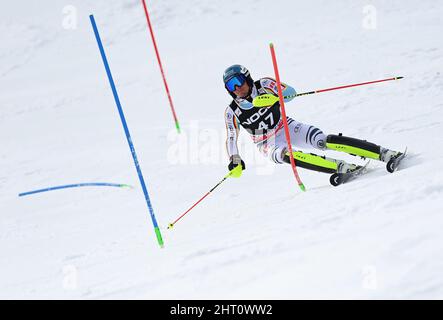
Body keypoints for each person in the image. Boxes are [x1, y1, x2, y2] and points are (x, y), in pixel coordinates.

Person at [223, 64, 403, 180]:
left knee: (322, 140)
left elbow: (291, 92)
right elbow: (232, 137)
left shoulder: (264, 84)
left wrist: (274, 98)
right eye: (231, 86)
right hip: (266, 143)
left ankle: (384, 153)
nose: (237, 88)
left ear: (246, 77)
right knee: (286, 155)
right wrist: (235, 159)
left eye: (238, 81)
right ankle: (339, 167)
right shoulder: (232, 111)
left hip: (286, 126)